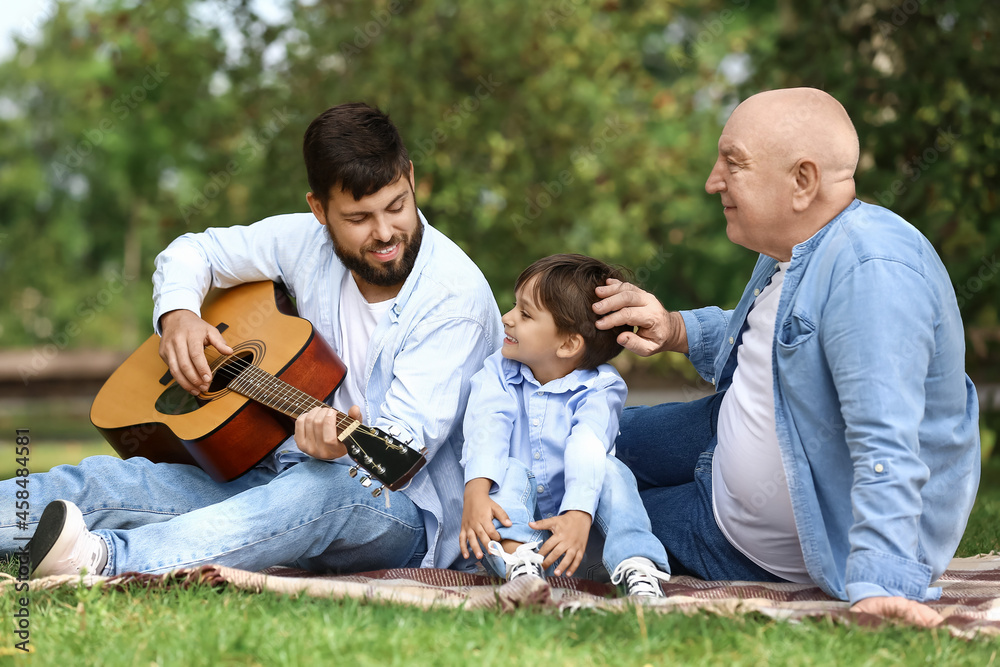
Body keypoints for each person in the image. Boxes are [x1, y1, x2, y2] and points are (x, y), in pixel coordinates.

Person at [2, 102, 503, 578]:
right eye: (358, 219)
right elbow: (195, 251)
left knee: (324, 487)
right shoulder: (302, 243)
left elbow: (397, 452)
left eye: (396, 206)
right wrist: (178, 314)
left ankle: (105, 563)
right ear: (319, 209)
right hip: (278, 469)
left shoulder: (453, 299)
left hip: (402, 512)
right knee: (109, 481)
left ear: (411, 178)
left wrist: (331, 449)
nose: (385, 232)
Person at [593, 87, 981, 626]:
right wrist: (677, 329)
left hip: (734, 531)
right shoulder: (802, 245)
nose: (713, 181)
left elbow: (887, 437)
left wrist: (883, 586)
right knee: (572, 435)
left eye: (733, 163)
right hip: (719, 437)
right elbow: (765, 342)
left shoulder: (872, 272)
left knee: (574, 518)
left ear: (803, 181)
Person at [459, 254, 672, 597]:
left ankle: (637, 567)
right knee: (508, 470)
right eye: (515, 306)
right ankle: (521, 569)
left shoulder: (601, 388)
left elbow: (586, 444)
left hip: (584, 547)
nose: (507, 319)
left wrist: (577, 514)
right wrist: (475, 489)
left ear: (569, 343)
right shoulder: (498, 372)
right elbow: (488, 424)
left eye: (525, 314)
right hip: (519, 539)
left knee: (610, 471)